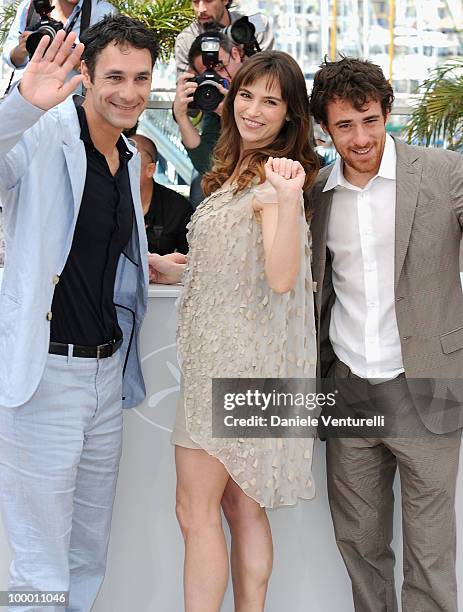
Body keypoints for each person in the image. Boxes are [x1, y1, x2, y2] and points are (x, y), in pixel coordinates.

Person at [0, 15, 185, 612]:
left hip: (107, 379)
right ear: (85, 75)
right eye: (113, 76)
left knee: (86, 550)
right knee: (39, 560)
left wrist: (145, 261)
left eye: (140, 78)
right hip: (45, 377)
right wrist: (22, 105)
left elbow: (99, 243)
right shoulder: (45, 133)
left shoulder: (130, 157)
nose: (128, 92)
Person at [308, 56, 463, 612]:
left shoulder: (445, 173)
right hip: (350, 385)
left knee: (431, 553)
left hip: (430, 384)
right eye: (344, 125)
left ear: (387, 113)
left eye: (369, 119)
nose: (360, 136)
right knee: (360, 546)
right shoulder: (314, 193)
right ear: (325, 128)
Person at [172, 50, 319, 611]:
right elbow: (238, 263)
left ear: (290, 116)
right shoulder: (240, 172)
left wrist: (285, 197)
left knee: (196, 511)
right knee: (241, 507)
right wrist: (175, 266)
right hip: (239, 361)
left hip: (227, 366)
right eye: (247, 95)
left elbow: (281, 276)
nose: (254, 110)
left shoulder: (274, 180)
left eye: (271, 101)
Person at [174, 31, 243, 177]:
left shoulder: (262, 80)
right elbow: (207, 166)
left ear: (235, 54)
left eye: (219, 66)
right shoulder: (214, 98)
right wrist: (181, 116)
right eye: (207, 74)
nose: (218, 78)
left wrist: (232, 115)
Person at [2, 0, 116, 75]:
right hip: (25, 99)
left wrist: (72, 58)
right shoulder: (29, 7)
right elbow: (9, 58)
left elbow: (108, 70)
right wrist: (23, 48)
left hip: (68, 104)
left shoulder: (104, 13)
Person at [174, 0, 273, 77]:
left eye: (209, 1)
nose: (201, 9)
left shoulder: (255, 24)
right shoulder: (186, 39)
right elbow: (184, 90)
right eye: (195, 2)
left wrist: (244, 56)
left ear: (225, 0)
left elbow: (269, 73)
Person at [130, 133, 193, 255]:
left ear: (150, 170)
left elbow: (189, 259)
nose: (121, 171)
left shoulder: (177, 208)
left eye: (130, 166)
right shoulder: (107, 200)